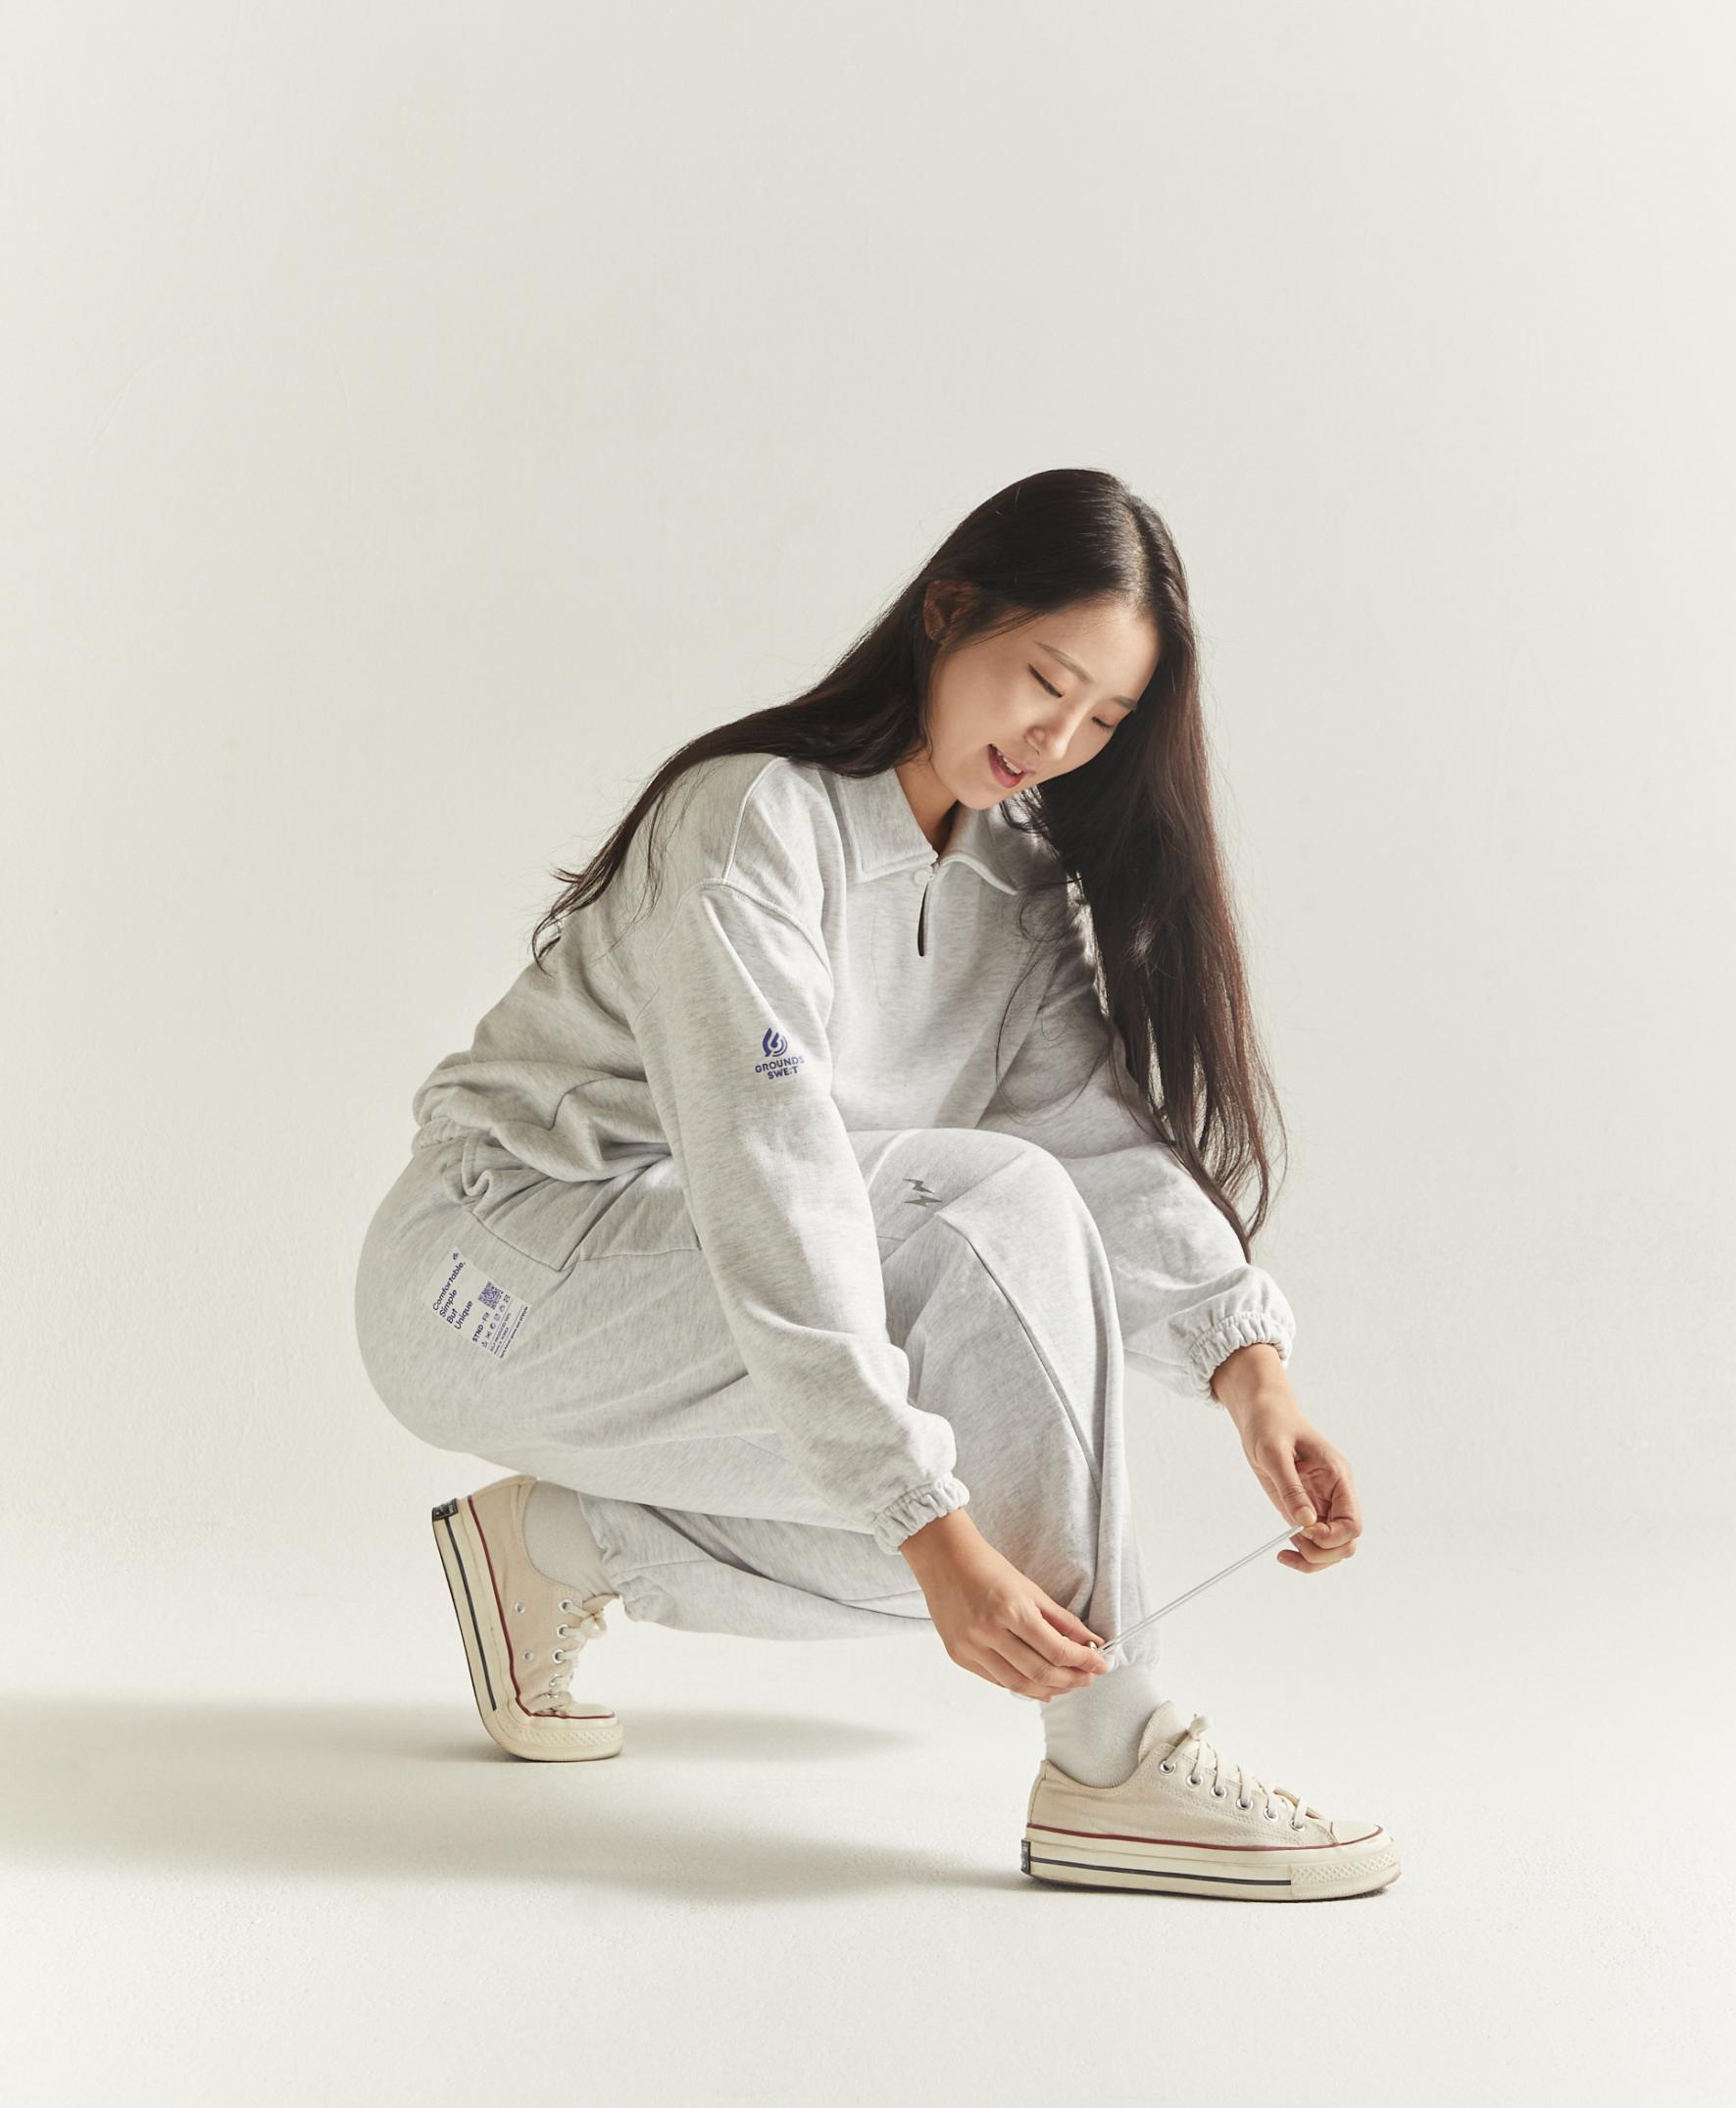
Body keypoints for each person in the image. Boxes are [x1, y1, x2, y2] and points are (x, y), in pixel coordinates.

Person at [354, 466, 1400, 1900]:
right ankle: (1114, 1760)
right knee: (963, 1374)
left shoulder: (1015, 891)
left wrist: (1251, 1376)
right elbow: (774, 1189)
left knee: (1003, 1560)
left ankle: (547, 1547)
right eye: (1046, 680)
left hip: (687, 1298)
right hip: (488, 1272)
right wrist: (924, 1520)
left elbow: (1093, 1138)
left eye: (1104, 719)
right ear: (948, 612)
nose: (1058, 739)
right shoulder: (752, 823)